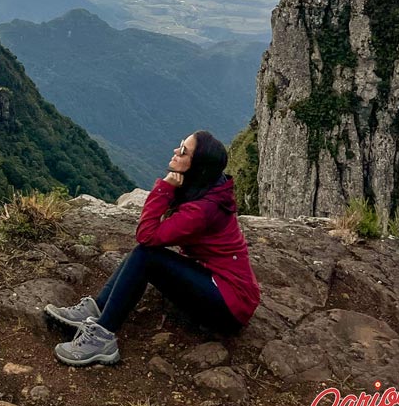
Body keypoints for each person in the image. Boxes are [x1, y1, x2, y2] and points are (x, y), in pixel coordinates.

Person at [45, 129, 261, 366]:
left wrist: (164, 189)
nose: (175, 152)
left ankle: (103, 337)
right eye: (180, 146)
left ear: (196, 166)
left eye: (183, 151)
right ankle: (97, 308)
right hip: (217, 283)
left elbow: (146, 236)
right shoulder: (207, 188)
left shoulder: (201, 211)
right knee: (145, 255)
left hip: (229, 304)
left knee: (146, 256)